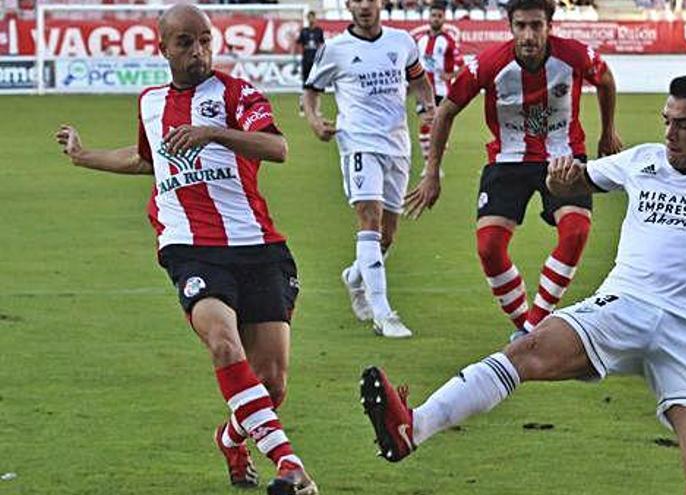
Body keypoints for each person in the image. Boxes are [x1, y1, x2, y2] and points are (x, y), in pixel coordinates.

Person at [360, 72, 686, 494]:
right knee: (527, 349)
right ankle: (413, 427)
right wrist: (561, 179)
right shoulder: (644, 161)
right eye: (666, 120)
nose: (669, 133)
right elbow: (574, 184)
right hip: (623, 303)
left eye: (683, 124)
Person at [53, 5, 318, 495]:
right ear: (164, 47)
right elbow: (144, 161)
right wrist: (83, 156)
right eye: (185, 43)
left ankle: (231, 436)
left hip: (257, 245)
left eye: (204, 41)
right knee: (222, 341)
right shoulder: (150, 103)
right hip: (190, 247)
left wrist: (213, 132)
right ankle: (290, 464)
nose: (198, 51)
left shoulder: (235, 93)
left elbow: (277, 149)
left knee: (272, 385)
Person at [405, 0, 622, 340]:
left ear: (549, 26)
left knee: (576, 232)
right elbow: (446, 111)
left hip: (563, 156)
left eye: (536, 25)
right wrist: (432, 172)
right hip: (508, 160)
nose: (529, 35)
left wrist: (608, 131)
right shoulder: (490, 63)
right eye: (521, 26)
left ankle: (534, 326)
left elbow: (605, 79)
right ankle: (525, 325)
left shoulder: (574, 55)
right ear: (510, 26)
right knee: (489, 246)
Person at [302, 0, 436, 338]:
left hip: (397, 146)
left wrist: (426, 109)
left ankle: (355, 277)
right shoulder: (334, 49)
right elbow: (311, 91)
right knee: (369, 219)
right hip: (358, 143)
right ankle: (383, 313)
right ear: (348, 5)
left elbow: (420, 82)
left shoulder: (402, 42)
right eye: (356, 0)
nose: (364, 6)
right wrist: (316, 121)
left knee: (387, 235)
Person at [413, 1, 461, 175]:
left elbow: (461, 64)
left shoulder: (448, 41)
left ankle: (435, 163)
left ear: (444, 18)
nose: (436, 18)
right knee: (426, 124)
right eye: (433, 15)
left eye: (439, 16)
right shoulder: (420, 40)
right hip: (423, 91)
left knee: (439, 128)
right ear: (429, 17)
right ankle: (429, 164)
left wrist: (451, 76)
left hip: (442, 91)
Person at [295, 11, 324, 117]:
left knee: (317, 86)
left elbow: (321, 45)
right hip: (306, 61)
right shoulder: (304, 31)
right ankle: (303, 109)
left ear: (315, 18)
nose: (311, 19)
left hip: (316, 62)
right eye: (310, 17)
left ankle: (316, 110)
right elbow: (298, 44)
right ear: (307, 19)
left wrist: (322, 57)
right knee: (305, 86)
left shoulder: (319, 31)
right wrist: (296, 57)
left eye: (313, 17)